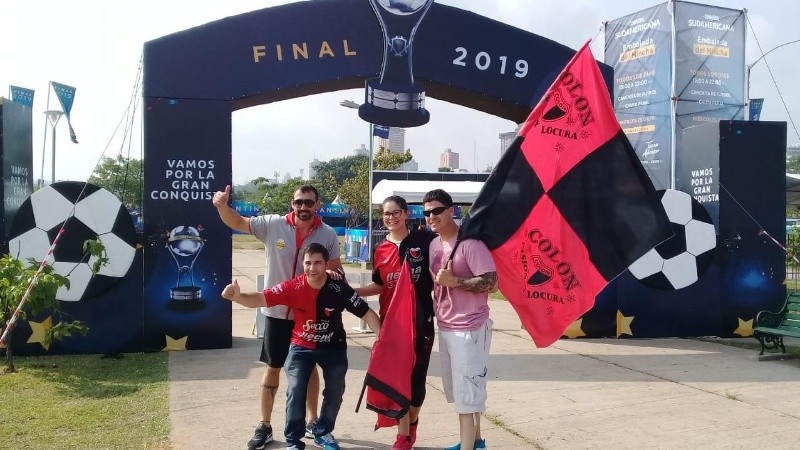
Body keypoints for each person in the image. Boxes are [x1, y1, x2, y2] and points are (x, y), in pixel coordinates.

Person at [213, 184, 341, 450]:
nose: (303, 207)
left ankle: (311, 421)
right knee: (272, 368)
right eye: (299, 202)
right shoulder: (272, 224)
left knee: (310, 369)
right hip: (277, 311)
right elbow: (237, 221)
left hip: (309, 315)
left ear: (318, 204)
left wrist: (332, 278)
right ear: (291, 204)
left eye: (309, 202)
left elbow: (334, 268)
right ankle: (265, 425)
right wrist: (222, 206)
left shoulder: (327, 233)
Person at [222, 243, 381, 450]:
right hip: (301, 348)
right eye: (308, 263)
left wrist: (382, 341)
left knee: (335, 390)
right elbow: (260, 299)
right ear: (302, 264)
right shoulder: (292, 287)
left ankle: (322, 431)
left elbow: (367, 313)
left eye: (317, 263)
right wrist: (238, 297)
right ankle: (293, 441)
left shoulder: (339, 289)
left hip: (333, 348)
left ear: (326, 265)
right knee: (296, 390)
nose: (312, 268)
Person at [354, 196, 436, 450]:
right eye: (386, 214)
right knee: (396, 380)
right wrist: (352, 291)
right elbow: (379, 284)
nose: (391, 218)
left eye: (395, 212)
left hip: (421, 322)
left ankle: (412, 425)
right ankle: (403, 438)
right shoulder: (381, 249)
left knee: (417, 383)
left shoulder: (425, 241)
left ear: (406, 213)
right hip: (391, 325)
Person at [422, 189, 497, 450]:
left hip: (470, 327)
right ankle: (475, 440)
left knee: (468, 394)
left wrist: (455, 281)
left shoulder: (470, 245)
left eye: (437, 210)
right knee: (461, 389)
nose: (431, 216)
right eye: (427, 212)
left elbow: (491, 282)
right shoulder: (434, 244)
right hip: (445, 324)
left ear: (451, 211)